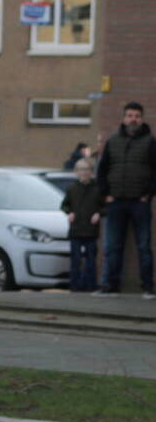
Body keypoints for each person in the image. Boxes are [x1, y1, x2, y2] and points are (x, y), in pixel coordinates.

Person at [94, 101, 156, 298]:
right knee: (113, 246)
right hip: (116, 202)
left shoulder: (150, 142)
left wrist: (149, 194)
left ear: (142, 118)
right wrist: (106, 194)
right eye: (129, 115)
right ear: (124, 118)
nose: (133, 119)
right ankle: (110, 287)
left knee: (144, 246)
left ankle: (147, 287)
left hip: (140, 202)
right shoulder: (113, 141)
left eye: (137, 116)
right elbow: (102, 170)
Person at [61, 158, 103, 292]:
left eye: (87, 170)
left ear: (91, 172)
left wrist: (99, 214)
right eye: (81, 170)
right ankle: (75, 286)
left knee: (90, 259)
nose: (84, 173)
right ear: (76, 172)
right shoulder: (71, 189)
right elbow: (64, 205)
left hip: (91, 230)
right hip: (76, 229)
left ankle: (90, 286)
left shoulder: (97, 189)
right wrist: (69, 212)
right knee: (76, 260)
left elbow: (105, 206)